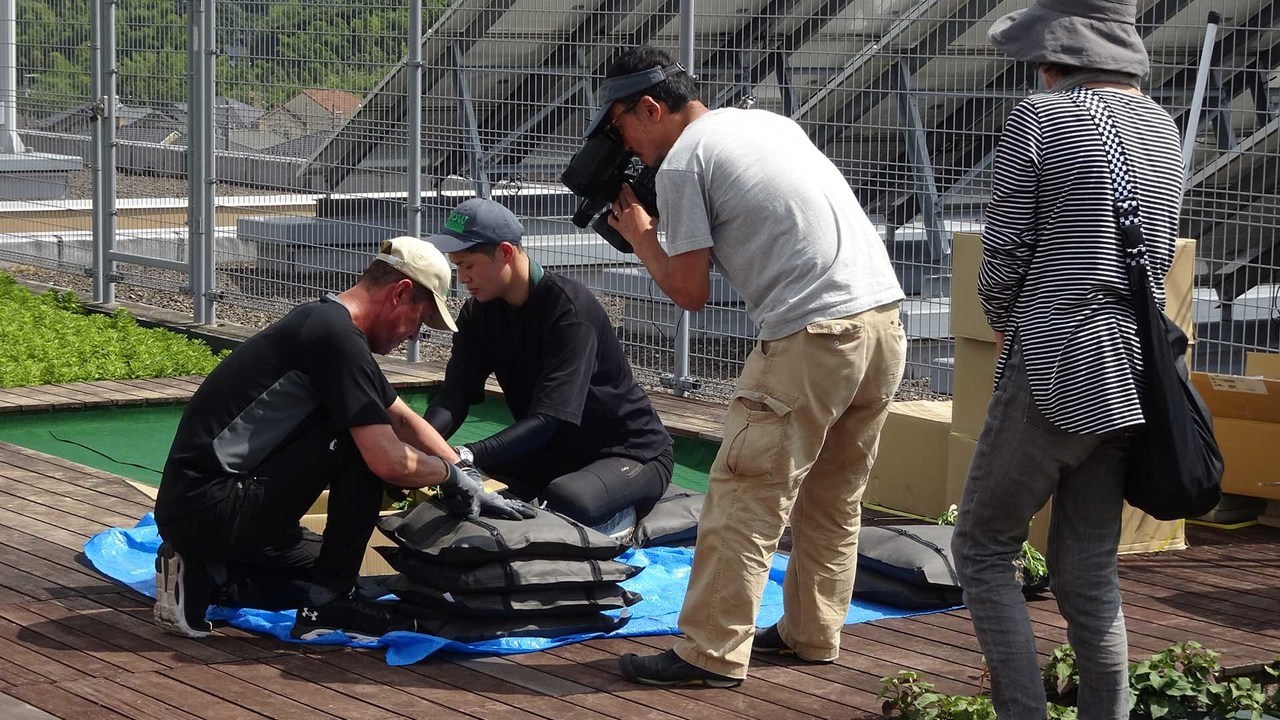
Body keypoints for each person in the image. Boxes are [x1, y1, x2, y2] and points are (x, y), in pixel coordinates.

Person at [594, 46, 907, 687]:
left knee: (745, 495)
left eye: (619, 126)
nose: (620, 143)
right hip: (882, 324)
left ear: (650, 108)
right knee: (833, 496)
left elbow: (689, 290)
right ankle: (812, 634)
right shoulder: (767, 122)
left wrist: (639, 236)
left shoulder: (684, 162)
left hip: (812, 337)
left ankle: (710, 651)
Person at [949, 0, 1184, 716]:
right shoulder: (1162, 125)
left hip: (1055, 360)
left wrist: (1004, 327)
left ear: (1055, 51)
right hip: (1135, 368)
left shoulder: (1042, 117)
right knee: (1088, 573)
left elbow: (1007, 254)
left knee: (984, 546)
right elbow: (1161, 253)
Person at [153, 236, 534, 642]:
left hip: (203, 509)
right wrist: (447, 476)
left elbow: (404, 419)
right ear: (400, 293)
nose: (412, 337)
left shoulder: (331, 326)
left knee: (337, 570)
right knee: (364, 444)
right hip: (211, 506)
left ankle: (209, 574)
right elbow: (388, 459)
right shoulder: (334, 339)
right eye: (418, 322)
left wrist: (467, 473)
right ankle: (328, 605)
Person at [423, 197, 674, 535]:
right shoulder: (479, 313)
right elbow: (455, 395)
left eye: (468, 265)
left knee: (567, 498)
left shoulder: (570, 312)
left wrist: (465, 455)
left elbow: (547, 419)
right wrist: (424, 445)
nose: (461, 278)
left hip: (630, 453)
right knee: (460, 490)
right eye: (457, 266)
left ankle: (621, 517)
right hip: (554, 453)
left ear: (506, 253)